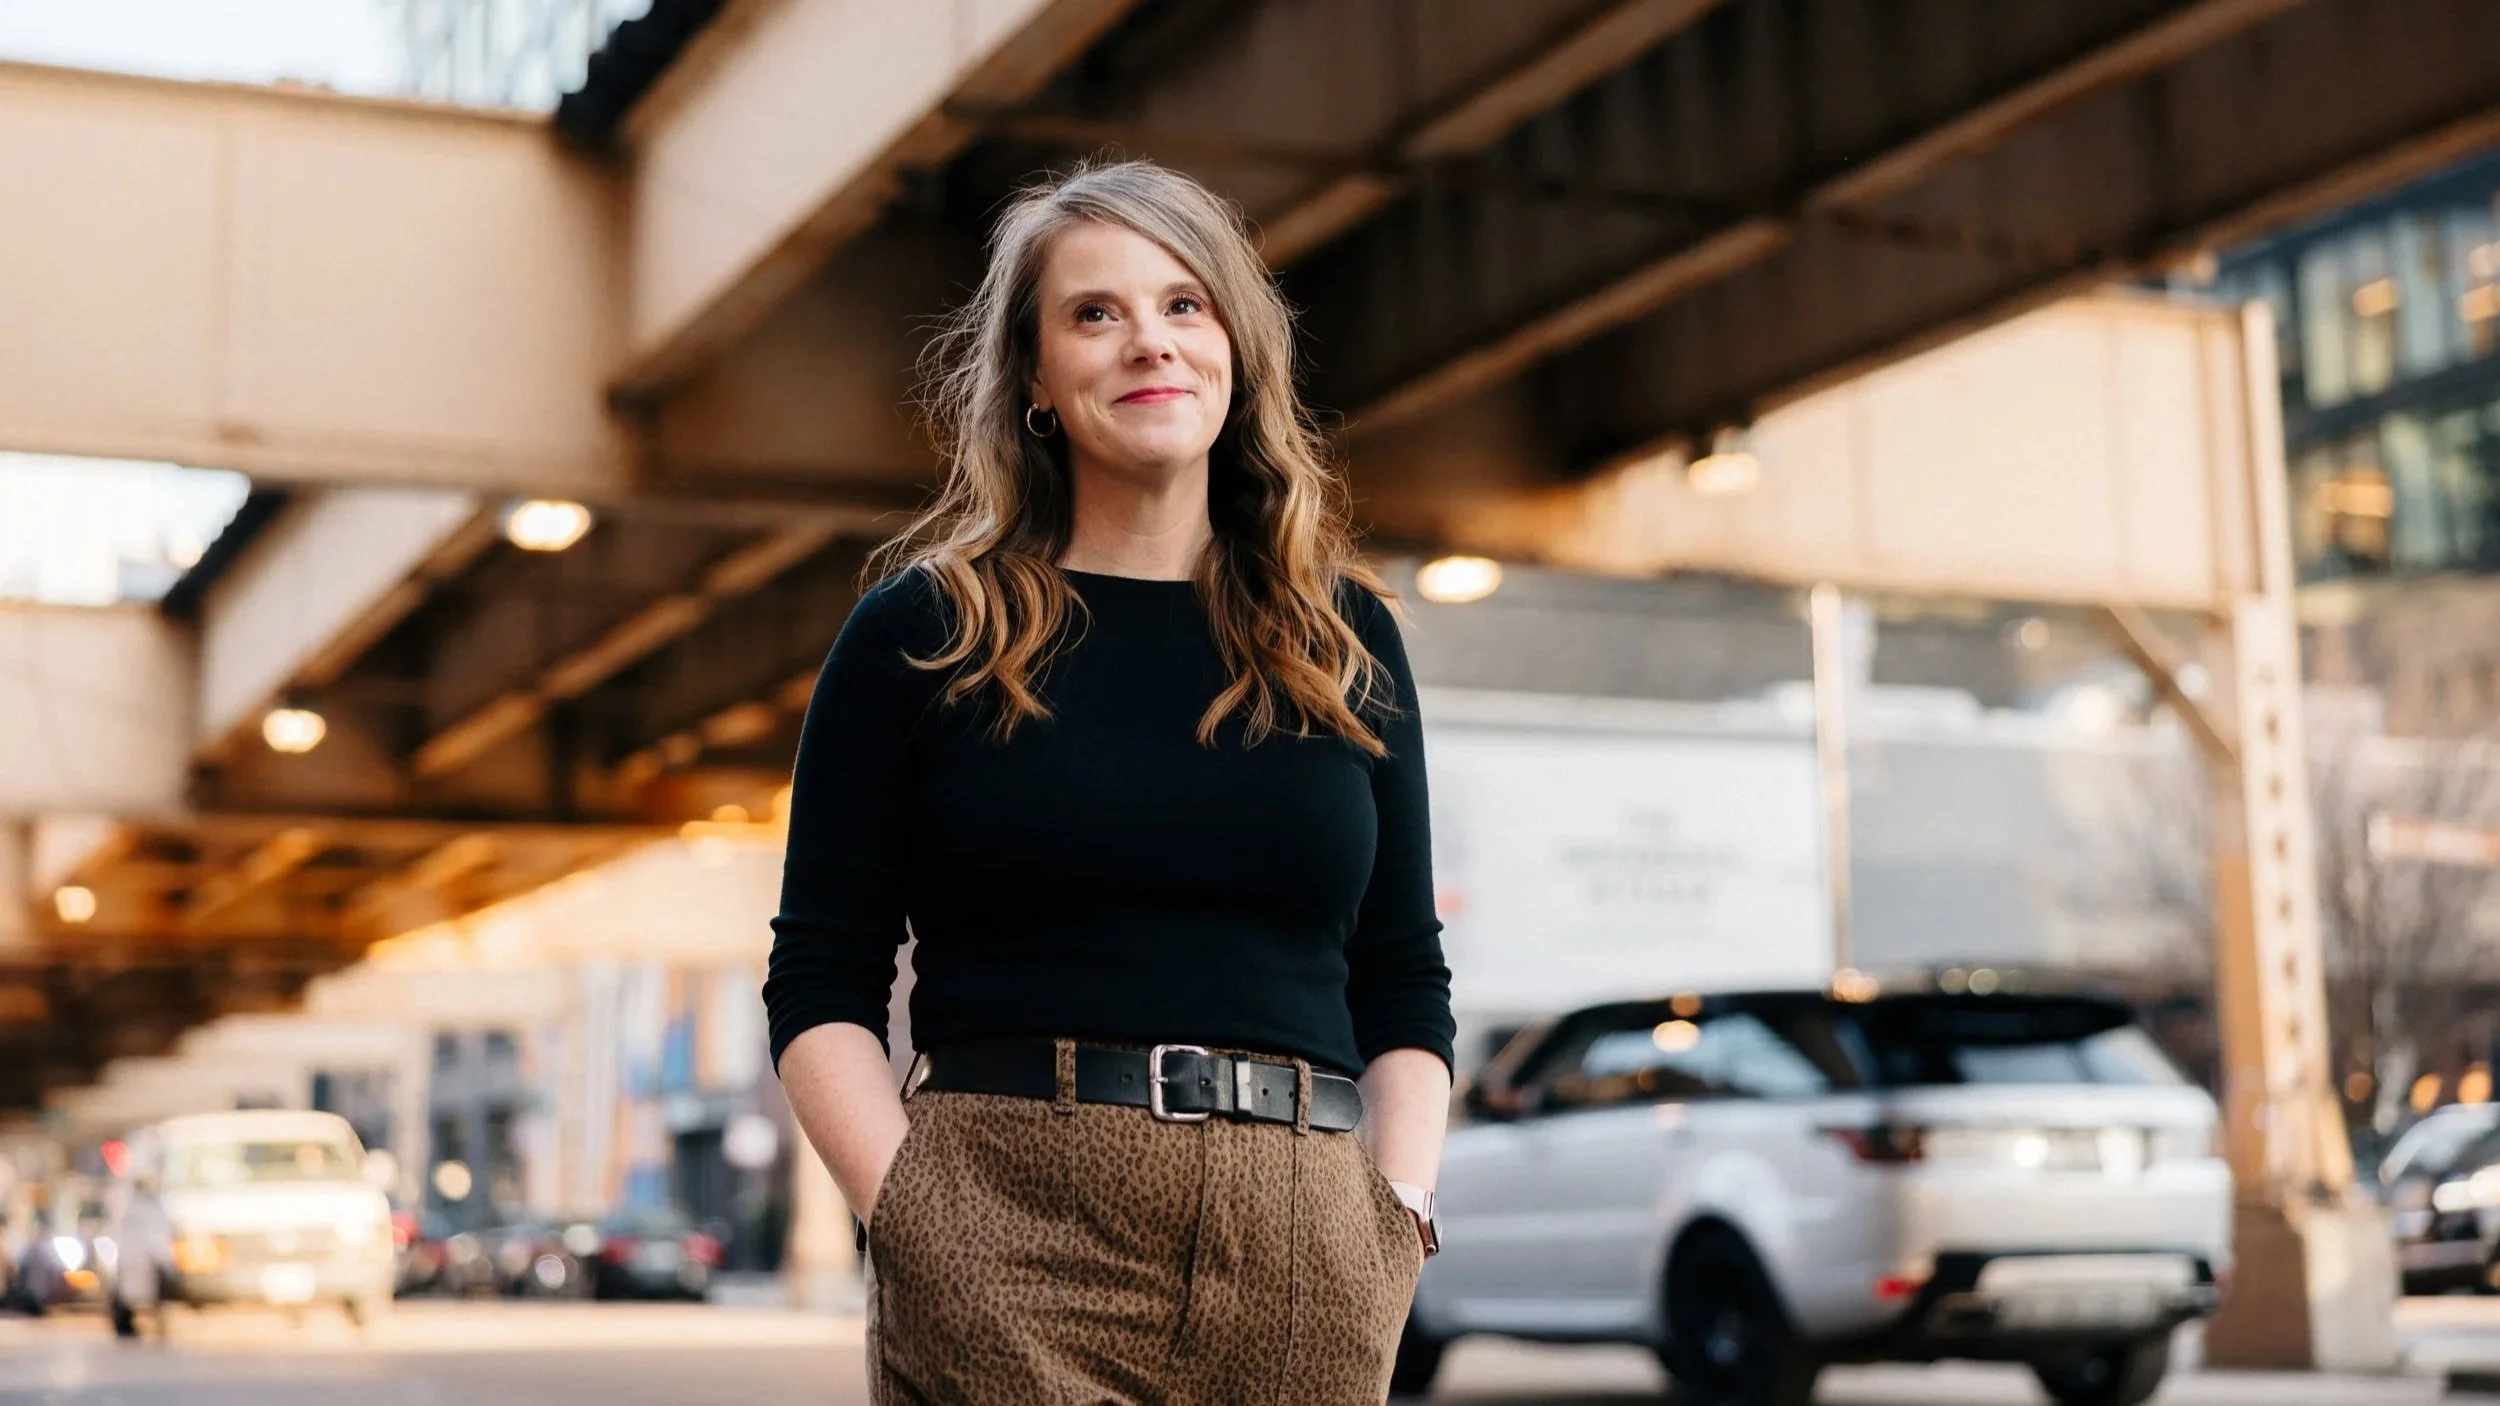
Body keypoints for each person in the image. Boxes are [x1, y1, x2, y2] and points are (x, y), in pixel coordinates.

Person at [764, 159, 1455, 1404]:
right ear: (1033, 378)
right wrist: (916, 1219)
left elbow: (1403, 976)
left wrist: (1393, 1217)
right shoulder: (922, 632)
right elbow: (820, 980)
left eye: (1185, 304)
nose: (1150, 339)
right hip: (1011, 1227)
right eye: (1095, 312)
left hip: (1308, 1250)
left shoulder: (1344, 635)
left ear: (1235, 347)